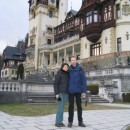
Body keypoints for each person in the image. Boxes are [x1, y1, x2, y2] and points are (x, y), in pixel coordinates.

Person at [68, 56, 87, 127]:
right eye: (72, 60)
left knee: (79, 106)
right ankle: (70, 121)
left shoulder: (81, 69)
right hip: (71, 90)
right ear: (70, 61)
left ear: (76, 61)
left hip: (79, 90)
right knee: (71, 106)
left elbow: (84, 80)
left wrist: (84, 91)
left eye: (74, 60)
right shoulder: (68, 69)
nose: (73, 61)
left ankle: (80, 121)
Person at [54, 63, 69, 127]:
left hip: (66, 93)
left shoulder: (67, 74)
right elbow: (55, 84)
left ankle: (60, 121)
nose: (66, 68)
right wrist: (56, 93)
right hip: (60, 93)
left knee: (62, 108)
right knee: (60, 107)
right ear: (62, 67)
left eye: (67, 67)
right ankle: (57, 122)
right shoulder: (59, 74)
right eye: (65, 67)